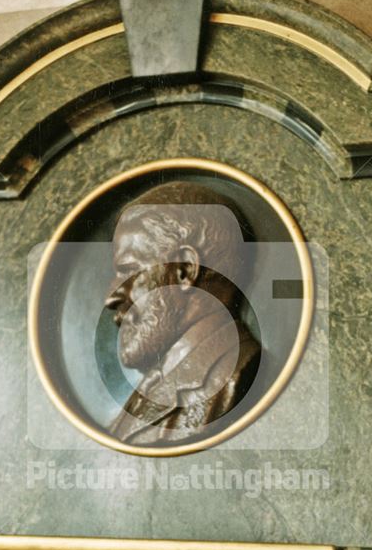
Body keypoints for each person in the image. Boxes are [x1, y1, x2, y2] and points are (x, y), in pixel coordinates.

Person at [104, 181, 260, 446]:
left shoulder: (227, 375)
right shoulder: (154, 381)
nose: (111, 296)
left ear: (185, 271)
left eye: (129, 271)